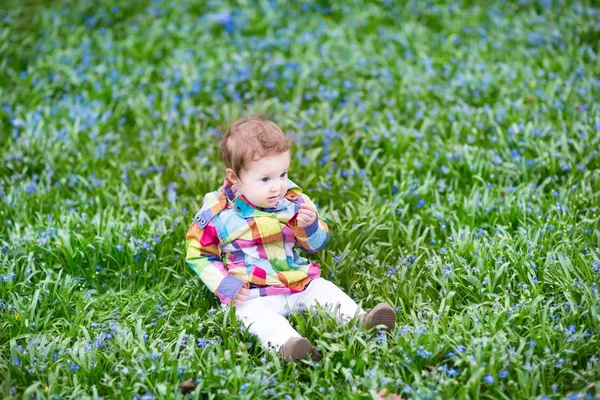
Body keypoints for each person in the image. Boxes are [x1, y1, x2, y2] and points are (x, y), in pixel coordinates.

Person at [185, 116, 396, 362]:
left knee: (323, 290)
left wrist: (310, 227)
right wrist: (225, 285)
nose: (277, 186)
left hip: (296, 281)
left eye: (283, 174)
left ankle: (362, 319)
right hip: (252, 292)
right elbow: (198, 252)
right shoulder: (219, 213)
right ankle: (289, 347)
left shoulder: (294, 201)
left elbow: (316, 245)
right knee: (256, 318)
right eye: (265, 179)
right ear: (235, 178)